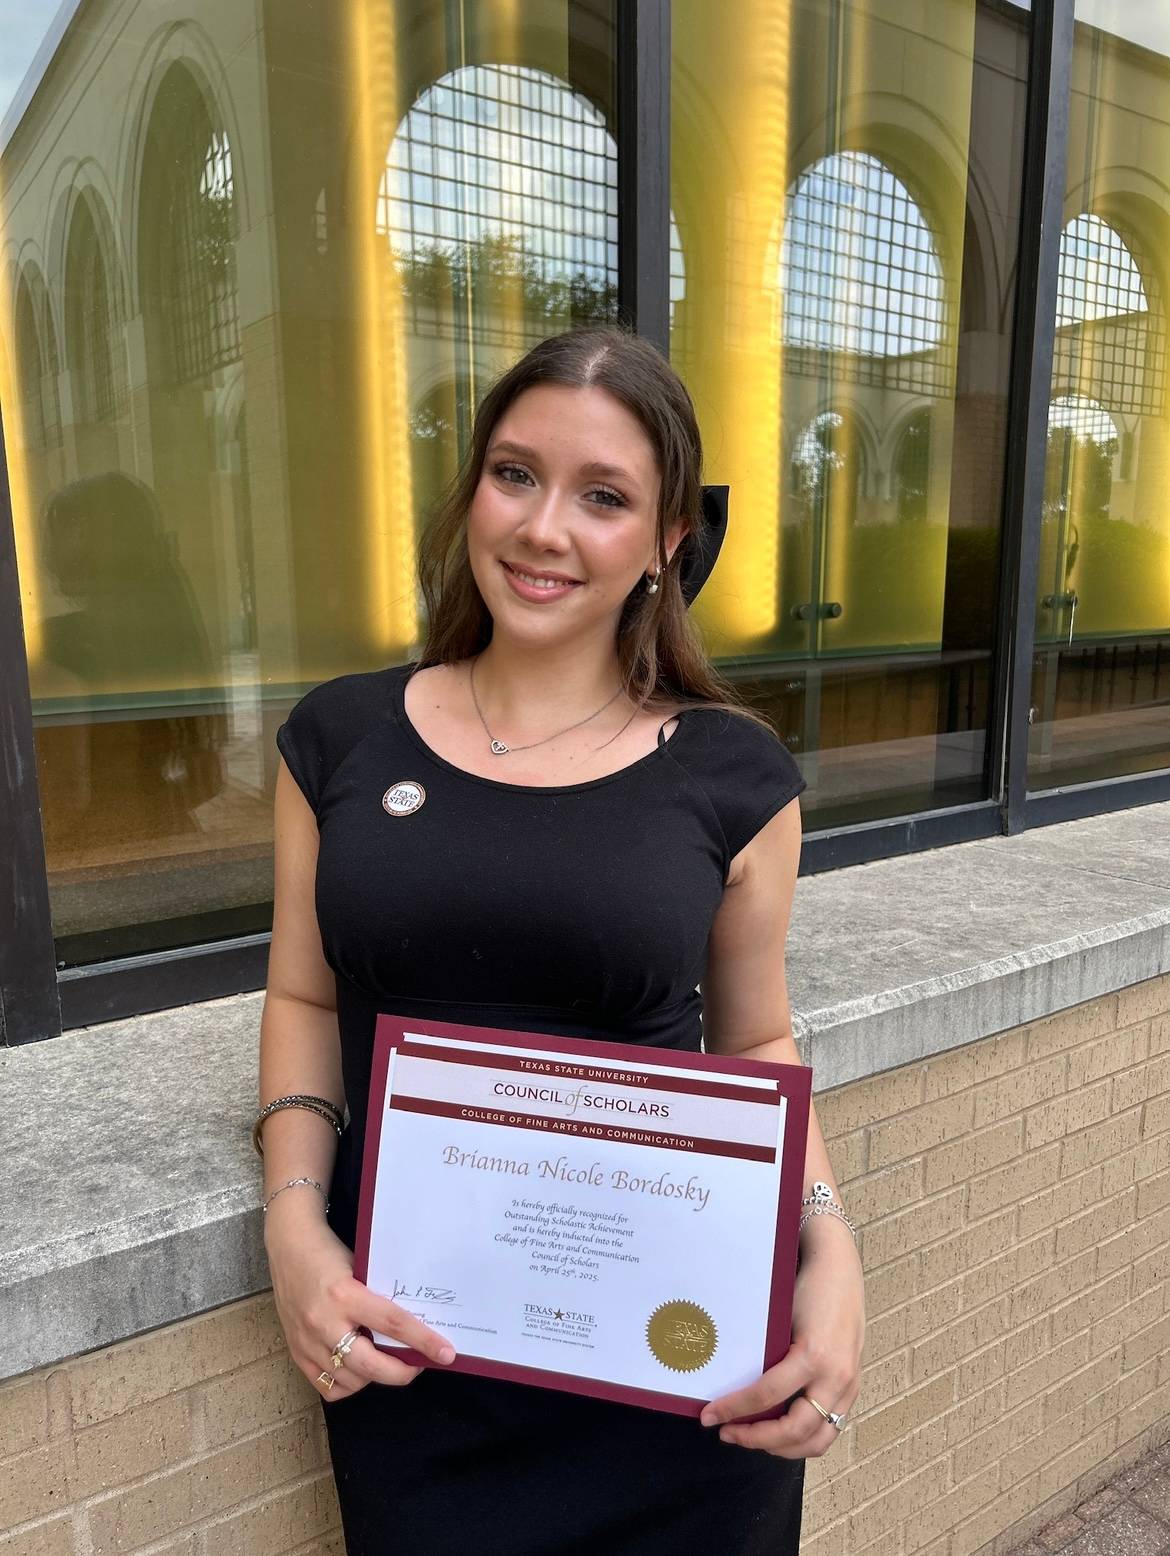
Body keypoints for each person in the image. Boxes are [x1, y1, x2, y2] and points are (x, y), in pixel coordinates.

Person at [258, 324, 865, 1555]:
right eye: (516, 473)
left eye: (605, 497)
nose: (543, 529)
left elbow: (756, 1037)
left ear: (665, 541)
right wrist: (293, 1229)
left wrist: (831, 1246)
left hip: (677, 1379)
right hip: (416, 1352)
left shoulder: (735, 773)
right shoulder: (339, 741)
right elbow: (304, 1003)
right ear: (471, 486)